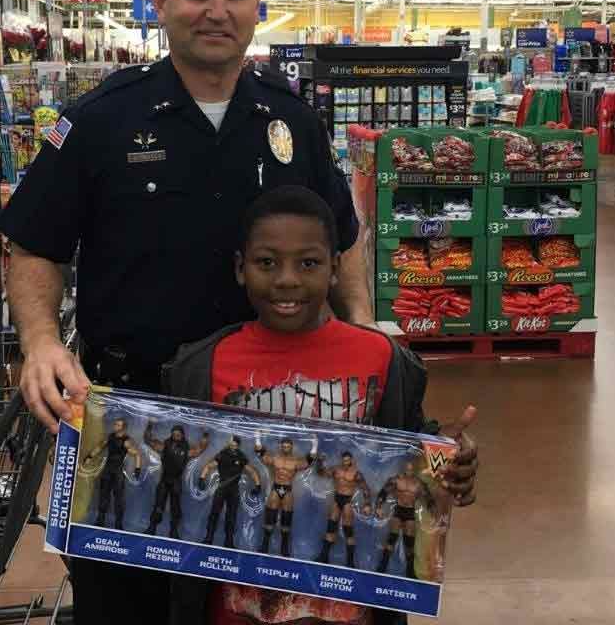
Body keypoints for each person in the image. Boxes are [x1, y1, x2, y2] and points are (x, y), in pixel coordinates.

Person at [0, 0, 377, 624]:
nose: (216, 8)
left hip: (274, 426)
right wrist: (42, 342)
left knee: (261, 608)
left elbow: (344, 237)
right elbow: (32, 244)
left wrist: (365, 338)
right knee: (123, 609)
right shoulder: (99, 120)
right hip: (127, 421)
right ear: (161, 1)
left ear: (257, 4)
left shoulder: (293, 119)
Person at [164, 185, 477, 625]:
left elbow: (411, 452)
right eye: (267, 263)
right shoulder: (202, 366)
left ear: (334, 269)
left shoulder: (383, 359)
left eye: (307, 263)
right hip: (235, 605)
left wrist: (451, 462)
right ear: (240, 268)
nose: (287, 279)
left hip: (349, 605)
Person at [142, 422, 209, 539]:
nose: (176, 435)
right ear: (171, 434)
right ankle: (152, 528)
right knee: (158, 505)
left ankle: (173, 532)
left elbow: (201, 448)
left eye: (178, 433)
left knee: (175, 509)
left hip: (176, 482)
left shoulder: (187, 449)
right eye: (174, 433)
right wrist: (150, 425)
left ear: (182, 435)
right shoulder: (164, 446)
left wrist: (205, 433)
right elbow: (148, 441)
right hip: (164, 481)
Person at [253, 436, 314, 556]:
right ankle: (264, 546)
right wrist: (257, 438)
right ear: (281, 446)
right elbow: (260, 453)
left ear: (291, 447)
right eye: (284, 446)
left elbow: (309, 461)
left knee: (286, 519)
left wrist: (315, 445)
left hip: (288, 490)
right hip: (276, 488)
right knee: (270, 517)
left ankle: (284, 549)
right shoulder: (275, 458)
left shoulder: (296, 460)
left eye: (288, 446)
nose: (286, 448)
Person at [197, 436, 262, 548]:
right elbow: (209, 466)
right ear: (229, 443)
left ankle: (229, 541)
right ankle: (209, 537)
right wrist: (202, 478)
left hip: (233, 489)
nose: (233, 446)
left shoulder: (241, 456)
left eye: (235, 444)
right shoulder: (223, 454)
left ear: (238, 445)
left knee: (231, 516)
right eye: (232, 443)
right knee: (214, 513)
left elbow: (252, 471)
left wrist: (257, 485)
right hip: (222, 487)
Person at [81, 417, 143, 530]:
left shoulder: (126, 441)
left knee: (119, 499)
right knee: (103, 496)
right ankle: (100, 520)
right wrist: (89, 457)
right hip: (107, 470)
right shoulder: (110, 437)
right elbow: (100, 447)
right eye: (115, 424)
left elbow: (137, 454)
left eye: (118, 425)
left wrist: (137, 469)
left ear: (123, 427)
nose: (115, 426)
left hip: (118, 472)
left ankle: (118, 523)